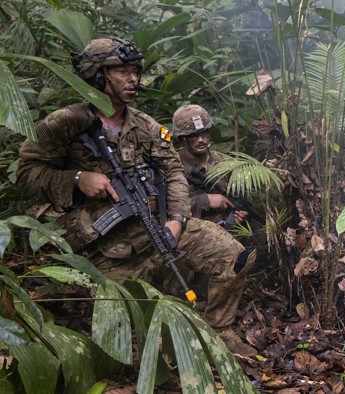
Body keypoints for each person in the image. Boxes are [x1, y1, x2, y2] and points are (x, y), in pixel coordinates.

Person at [17, 38, 256, 356]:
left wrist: (177, 220)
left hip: (156, 229)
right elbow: (26, 175)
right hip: (100, 247)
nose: (133, 79)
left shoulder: (149, 128)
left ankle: (219, 331)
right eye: (122, 71)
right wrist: (77, 178)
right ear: (98, 75)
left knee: (233, 255)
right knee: (108, 330)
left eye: (135, 71)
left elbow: (174, 174)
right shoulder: (64, 123)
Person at [171, 104, 249, 227]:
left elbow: (244, 198)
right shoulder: (172, 166)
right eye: (194, 135)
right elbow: (163, 210)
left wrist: (239, 215)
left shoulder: (226, 163)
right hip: (194, 236)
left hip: (230, 234)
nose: (201, 139)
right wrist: (202, 201)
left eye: (204, 133)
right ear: (183, 138)